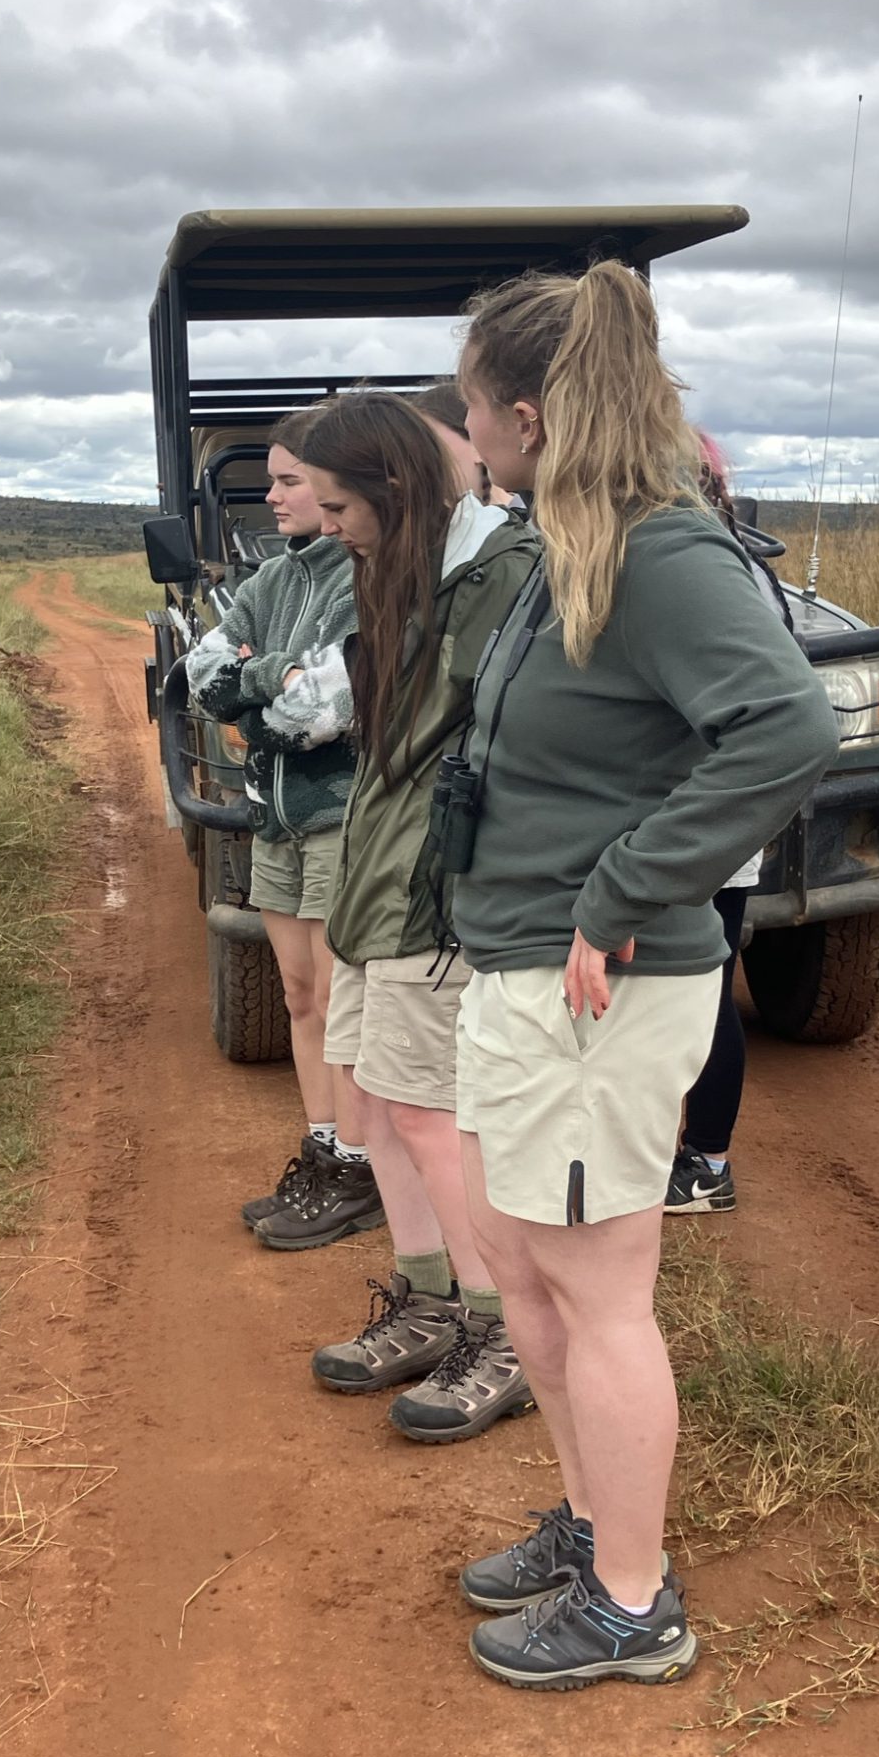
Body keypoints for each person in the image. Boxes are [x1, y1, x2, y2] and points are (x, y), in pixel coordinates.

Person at [442, 262, 838, 1689]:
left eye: (475, 415)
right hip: (530, 971)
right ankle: (597, 1517)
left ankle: (631, 1601)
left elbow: (784, 728)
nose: (467, 439)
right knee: (530, 1279)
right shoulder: (570, 540)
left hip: (595, 988)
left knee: (596, 1290)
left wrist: (620, 892)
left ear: (531, 417)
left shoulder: (661, 552)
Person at [287, 389, 541, 1442]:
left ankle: (503, 1329)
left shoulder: (495, 577)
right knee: (381, 1105)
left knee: (437, 1118)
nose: (330, 524)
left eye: (343, 504)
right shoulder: (398, 570)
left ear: (397, 488)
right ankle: (432, 1296)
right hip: (375, 878)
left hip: (431, 891)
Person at [186, 422, 382, 1247]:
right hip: (275, 816)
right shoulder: (270, 579)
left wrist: (253, 703)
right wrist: (272, 676)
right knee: (301, 993)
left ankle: (360, 1168)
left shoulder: (367, 579)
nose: (272, 497)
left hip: (338, 812)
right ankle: (323, 1147)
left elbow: (323, 715)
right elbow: (200, 676)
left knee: (341, 1000)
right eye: (271, 481)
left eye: (290, 482)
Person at [664, 431, 781, 1216]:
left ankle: (706, 1164)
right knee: (702, 988)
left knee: (701, 994)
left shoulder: (707, 570)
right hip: (714, 823)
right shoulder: (736, 562)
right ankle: (700, 1157)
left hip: (702, 823)